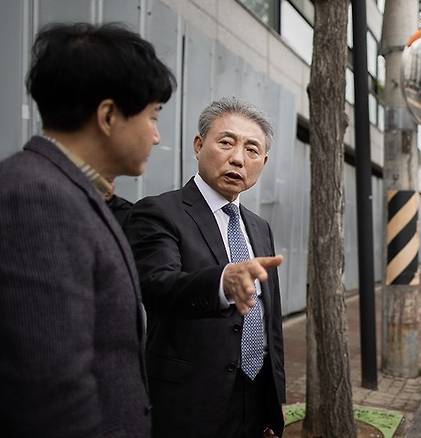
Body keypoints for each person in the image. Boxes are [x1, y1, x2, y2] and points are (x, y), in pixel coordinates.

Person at [0, 23, 176, 438]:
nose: (156, 135)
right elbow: (50, 391)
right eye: (152, 116)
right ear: (109, 116)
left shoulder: (70, 190)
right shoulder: (37, 198)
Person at [125, 98, 286, 438]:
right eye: (226, 142)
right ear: (199, 146)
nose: (238, 158)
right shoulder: (158, 212)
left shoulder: (259, 227)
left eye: (252, 149)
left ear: (263, 162)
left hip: (253, 396)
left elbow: (270, 321)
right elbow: (156, 286)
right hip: (190, 401)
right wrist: (222, 283)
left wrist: (273, 404)